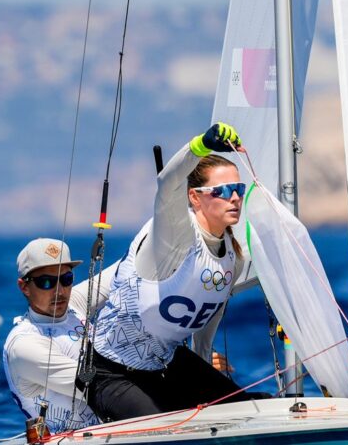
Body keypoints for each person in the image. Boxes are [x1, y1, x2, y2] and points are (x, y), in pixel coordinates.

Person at [85, 123, 265, 422]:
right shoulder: (177, 236)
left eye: (239, 189)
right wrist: (200, 145)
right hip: (111, 373)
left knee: (246, 415)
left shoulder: (233, 255)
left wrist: (206, 368)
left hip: (167, 364)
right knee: (169, 433)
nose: (235, 198)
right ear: (195, 197)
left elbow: (209, 317)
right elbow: (168, 182)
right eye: (223, 191)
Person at [1, 238, 103, 437]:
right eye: (46, 282)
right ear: (24, 287)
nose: (59, 291)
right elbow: (97, 385)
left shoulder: (73, 306)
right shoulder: (23, 344)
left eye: (66, 279)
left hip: (115, 427)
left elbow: (130, 265)